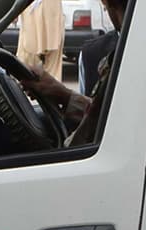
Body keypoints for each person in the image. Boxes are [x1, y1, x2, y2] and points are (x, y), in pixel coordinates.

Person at [19, 0, 127, 146]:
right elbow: (107, 119)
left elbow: (95, 130)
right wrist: (63, 94)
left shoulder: (119, 57)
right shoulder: (126, 50)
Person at [15, 0, 65, 81]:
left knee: (26, 62)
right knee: (52, 68)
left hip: (42, 16)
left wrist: (14, 12)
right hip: (47, 18)